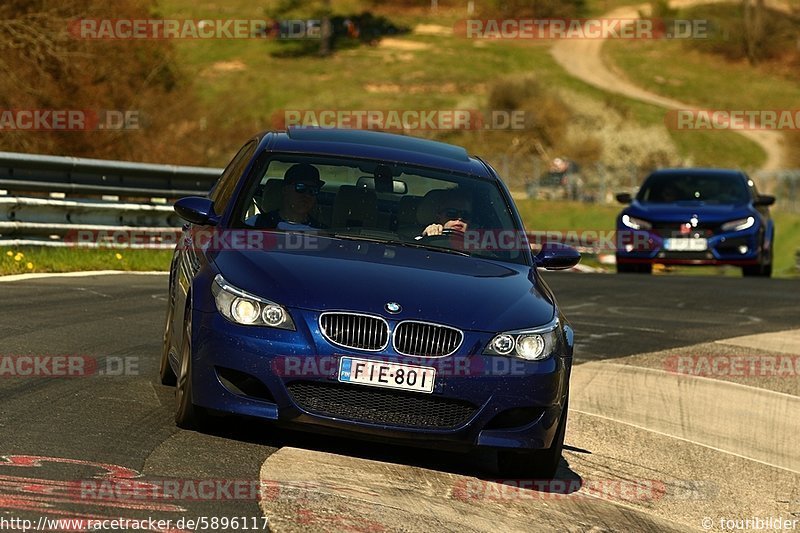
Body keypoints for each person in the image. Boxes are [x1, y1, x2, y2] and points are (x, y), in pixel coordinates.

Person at [254, 163, 326, 230]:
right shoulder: (256, 223)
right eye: (300, 188)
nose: (307, 195)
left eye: (313, 190)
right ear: (285, 190)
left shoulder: (322, 233)